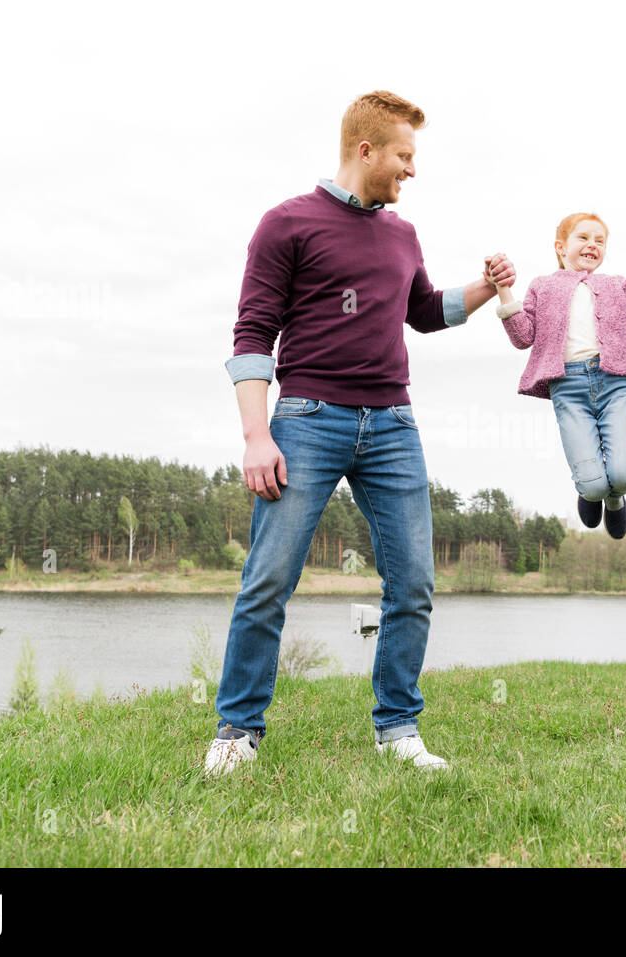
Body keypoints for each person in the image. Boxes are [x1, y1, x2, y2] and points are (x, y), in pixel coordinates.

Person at [203, 90, 517, 776]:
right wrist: (258, 436)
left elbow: (426, 311)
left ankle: (398, 728)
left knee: (414, 583)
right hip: (307, 420)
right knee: (269, 578)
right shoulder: (286, 224)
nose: (412, 170)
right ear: (365, 150)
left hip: (394, 424)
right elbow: (253, 333)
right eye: (405, 156)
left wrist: (486, 288)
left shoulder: (402, 234)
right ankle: (237, 731)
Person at [490, 213, 626, 539]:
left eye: (600, 241)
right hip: (569, 388)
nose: (592, 245)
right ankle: (592, 492)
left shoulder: (614, 284)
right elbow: (523, 337)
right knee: (592, 485)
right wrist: (504, 291)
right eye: (583, 238)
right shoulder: (542, 286)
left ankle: (616, 497)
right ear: (561, 247)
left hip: (615, 383)